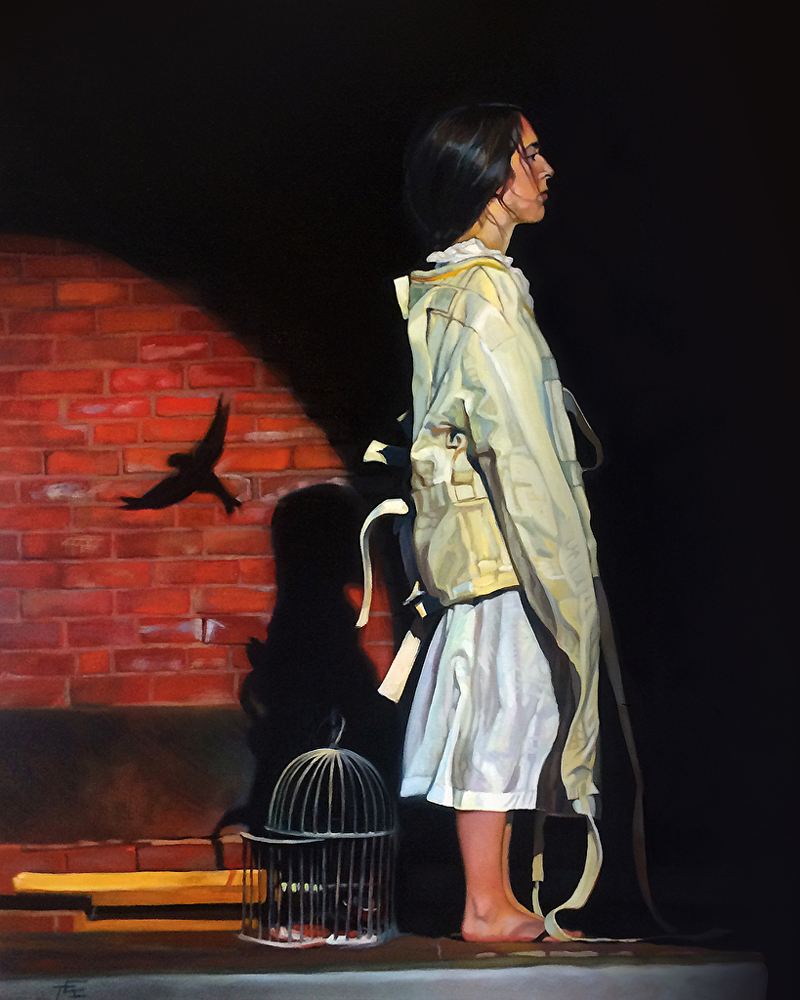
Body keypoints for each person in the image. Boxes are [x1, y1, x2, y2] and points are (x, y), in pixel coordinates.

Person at [391, 103, 602, 942]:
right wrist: (564, 559)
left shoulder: (462, 288)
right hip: (503, 544)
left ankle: (498, 896)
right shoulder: (484, 293)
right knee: (499, 704)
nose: (545, 169)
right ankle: (485, 901)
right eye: (528, 154)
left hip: (482, 542)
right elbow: (517, 445)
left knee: (508, 705)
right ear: (487, 172)